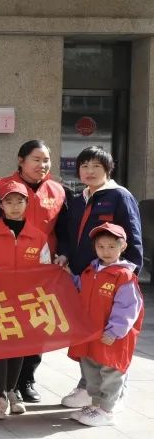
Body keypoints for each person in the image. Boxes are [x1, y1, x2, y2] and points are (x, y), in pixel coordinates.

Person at [0, 140, 69, 403]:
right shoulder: (2, 186)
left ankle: (27, 379)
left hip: (39, 271)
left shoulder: (58, 190)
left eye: (46, 160)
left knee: (34, 323)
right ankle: (4, 384)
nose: (42, 165)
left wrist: (63, 253)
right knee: (6, 324)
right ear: (21, 161)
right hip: (4, 272)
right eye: (36, 159)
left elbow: (64, 229)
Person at [60, 146, 144, 409]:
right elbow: (69, 235)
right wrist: (65, 256)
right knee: (87, 335)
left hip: (112, 280)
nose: (90, 171)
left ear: (108, 169)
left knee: (110, 336)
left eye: (96, 166)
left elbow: (133, 238)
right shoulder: (78, 199)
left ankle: (113, 392)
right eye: (84, 166)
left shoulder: (120, 196)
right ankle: (88, 385)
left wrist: (128, 275)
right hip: (84, 279)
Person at [0, 181, 50, 419]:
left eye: (19, 201)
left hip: (25, 300)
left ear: (28, 203)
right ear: (0, 205)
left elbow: (45, 267)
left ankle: (13, 391)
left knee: (20, 345)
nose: (14, 206)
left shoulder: (38, 237)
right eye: (9, 202)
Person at [66, 222, 144, 427]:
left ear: (123, 246)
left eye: (111, 246)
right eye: (101, 246)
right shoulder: (90, 271)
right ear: (95, 247)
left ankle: (108, 410)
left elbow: (128, 308)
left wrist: (115, 331)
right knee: (91, 369)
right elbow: (78, 288)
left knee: (110, 371)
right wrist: (66, 276)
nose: (106, 251)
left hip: (111, 336)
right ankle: (96, 405)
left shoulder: (124, 276)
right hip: (91, 334)